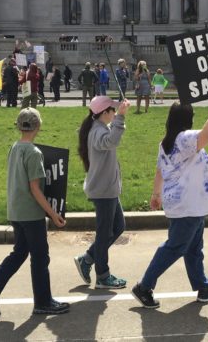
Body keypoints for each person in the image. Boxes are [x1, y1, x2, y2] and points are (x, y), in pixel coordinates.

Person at [0, 108, 69, 318]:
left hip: (15, 211)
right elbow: (35, 189)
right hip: (31, 214)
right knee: (40, 258)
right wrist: (53, 214)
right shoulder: (34, 153)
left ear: (18, 126)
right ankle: (43, 302)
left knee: (19, 253)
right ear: (38, 127)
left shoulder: (15, 147)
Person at [132, 93, 208, 309]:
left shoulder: (167, 141)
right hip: (188, 206)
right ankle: (144, 286)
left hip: (189, 205)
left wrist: (156, 194)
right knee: (175, 247)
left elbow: (159, 170)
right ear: (188, 118)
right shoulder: (184, 139)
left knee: (194, 248)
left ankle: (203, 288)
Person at [75, 95, 131, 289]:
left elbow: (112, 138)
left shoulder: (99, 128)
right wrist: (121, 118)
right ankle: (103, 275)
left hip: (108, 189)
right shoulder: (97, 132)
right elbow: (111, 142)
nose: (114, 113)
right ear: (104, 113)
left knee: (118, 227)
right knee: (105, 232)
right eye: (112, 111)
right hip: (103, 191)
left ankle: (88, 258)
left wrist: (118, 118)